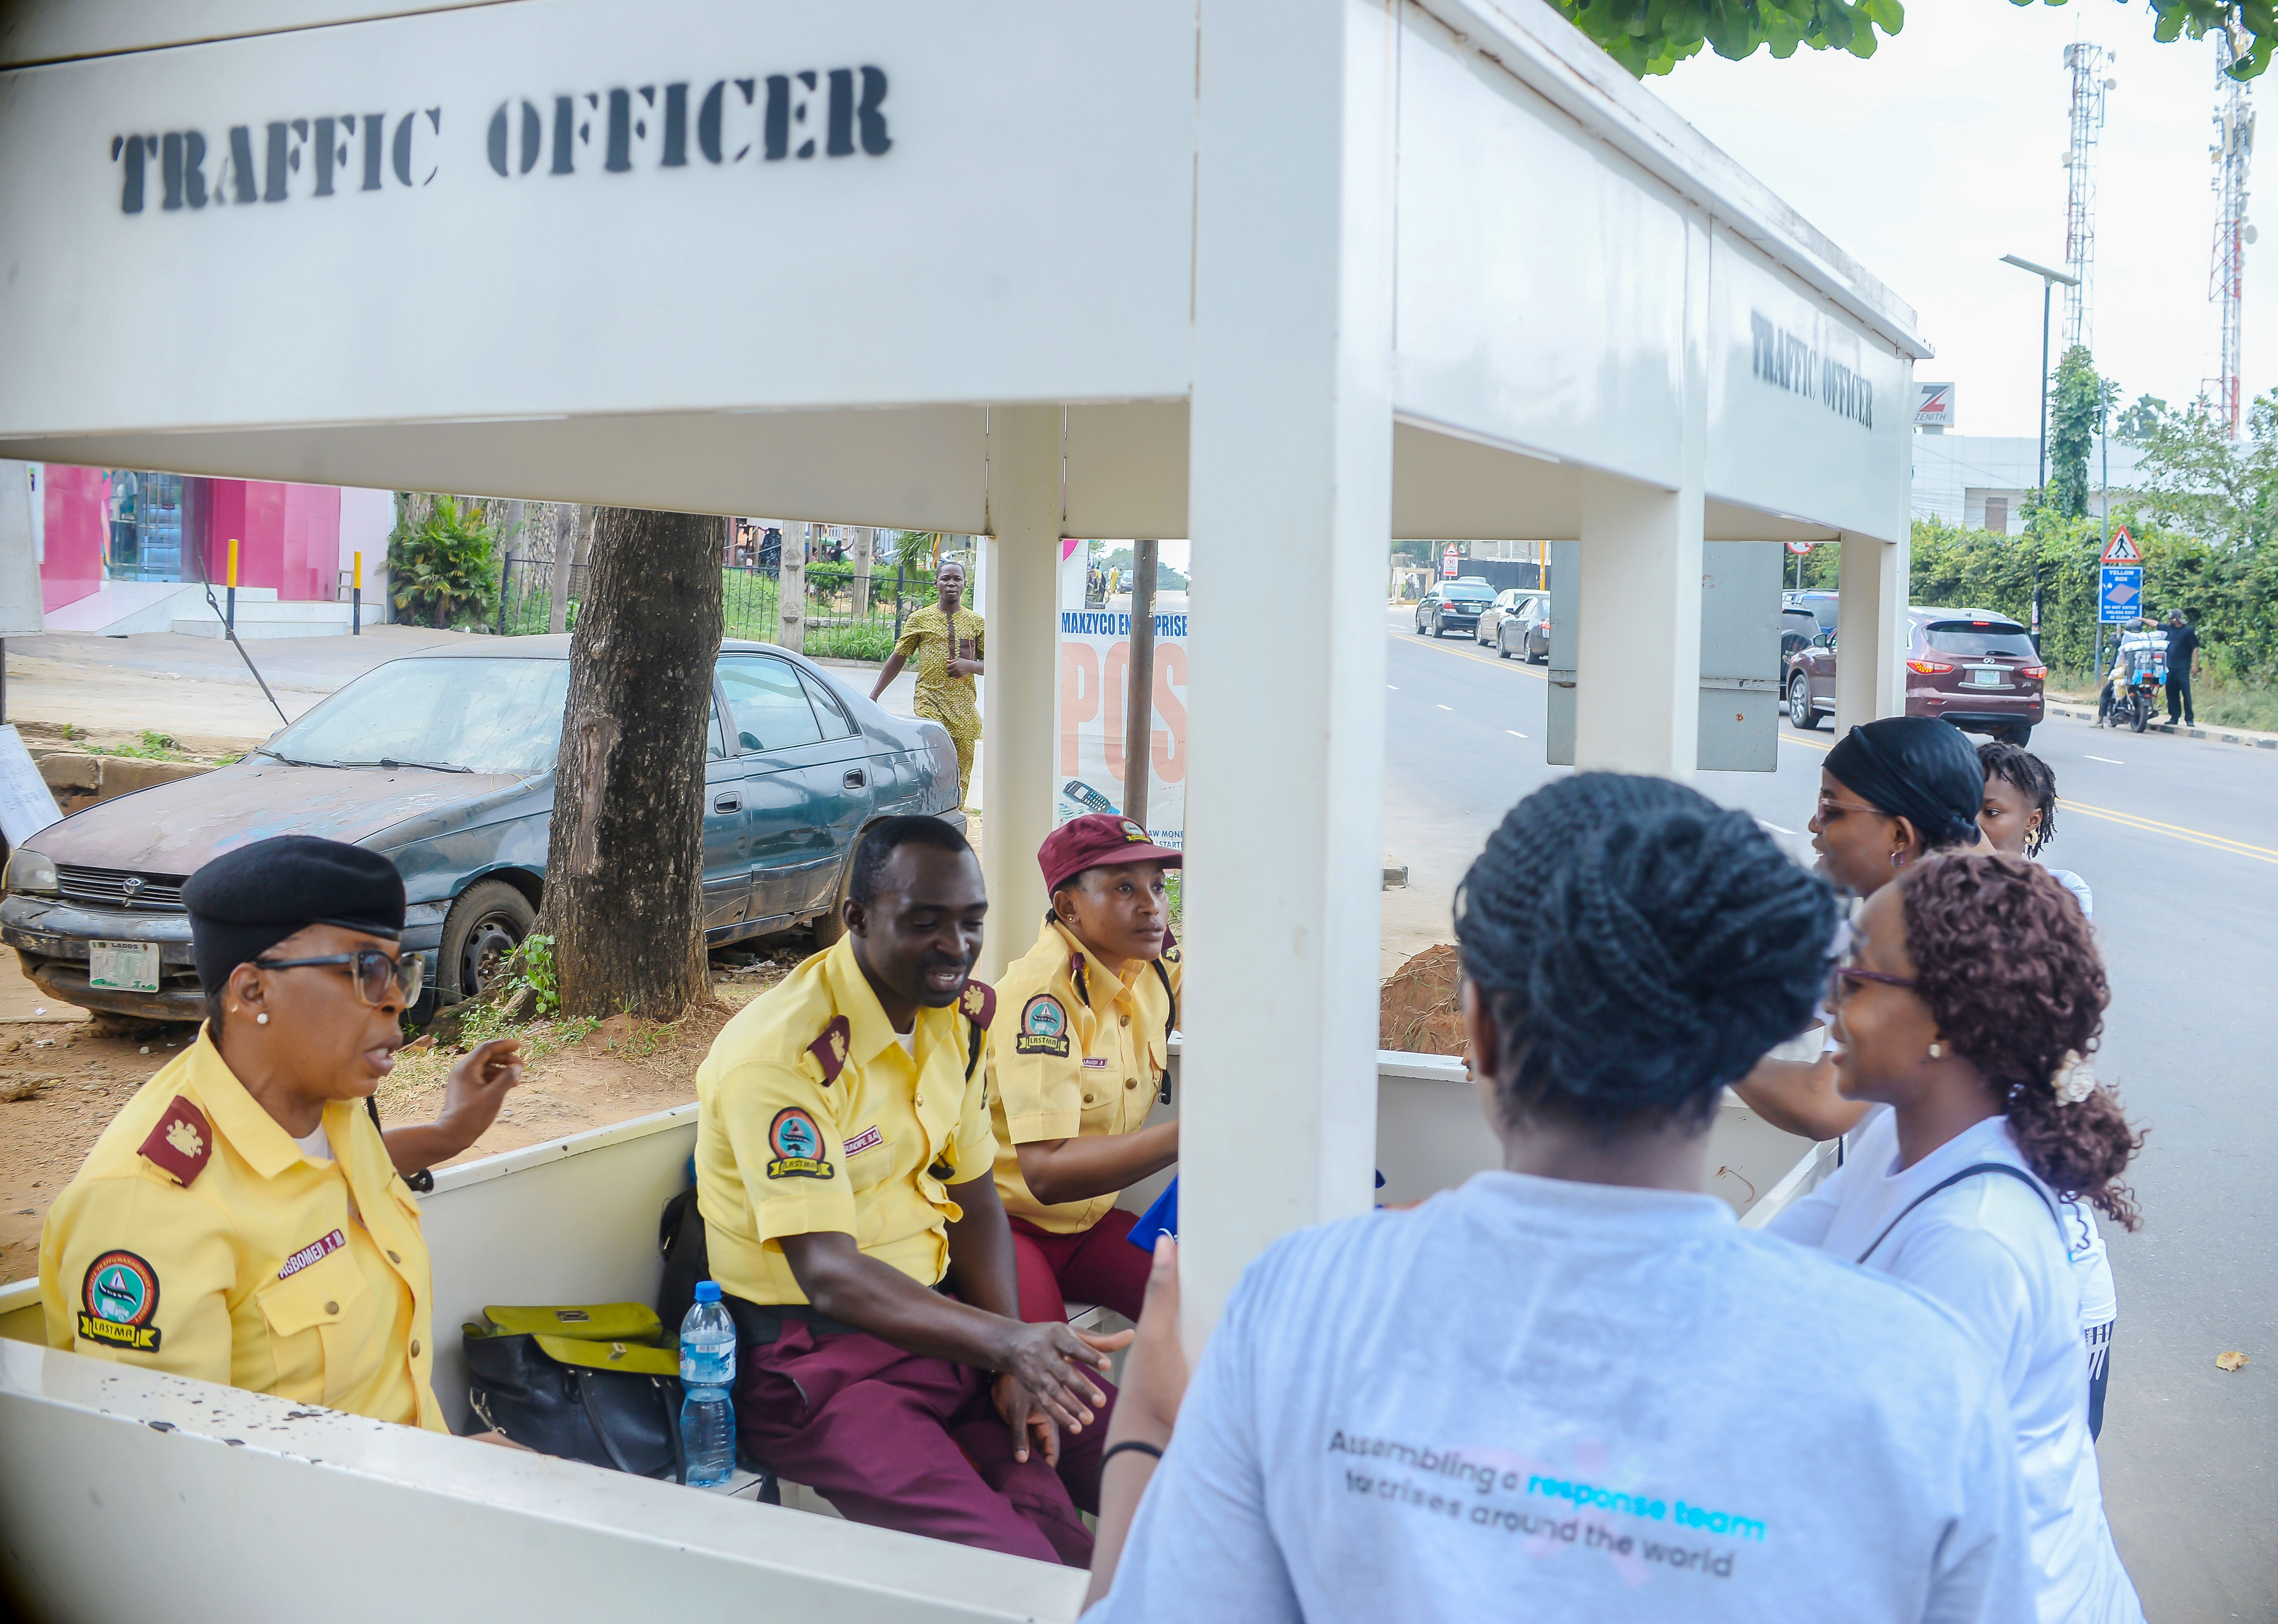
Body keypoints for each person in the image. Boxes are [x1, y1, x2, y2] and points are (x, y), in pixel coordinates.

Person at [1078, 774, 2033, 1621]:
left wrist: (1147, 1432)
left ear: (1481, 1030)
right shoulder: (1919, 1387)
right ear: (1731, 1044)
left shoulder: (1298, 1304)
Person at [694, 815, 1127, 1565]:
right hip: (820, 1365)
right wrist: (1007, 1343)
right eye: (925, 922)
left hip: (942, 1332)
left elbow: (977, 1198)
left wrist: (1008, 1353)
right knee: (1018, 1567)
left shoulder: (951, 1024)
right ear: (857, 918)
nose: (957, 947)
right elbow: (828, 1273)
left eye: (971, 923)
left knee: (1158, 1471)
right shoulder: (783, 1057)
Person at [1767, 854, 2145, 1622]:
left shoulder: (1974, 1242)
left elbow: (1884, 1520)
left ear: (1945, 1018)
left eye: (1859, 977)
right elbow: (1764, 1273)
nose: (1830, 1000)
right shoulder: (1900, 1139)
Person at [38, 836, 524, 1432]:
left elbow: (317, 1188)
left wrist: (450, 1132)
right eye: (366, 970)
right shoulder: (149, 1207)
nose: (396, 1000)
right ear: (252, 991)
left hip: (415, 1483)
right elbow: (177, 1487)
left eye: (398, 972)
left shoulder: (328, 1105)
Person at [1734, 715, 1985, 1139]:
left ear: (1900, 837)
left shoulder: (1926, 938)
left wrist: (1706, 1044)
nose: (1815, 825)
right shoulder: (1865, 925)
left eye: (1830, 809)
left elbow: (1824, 1105)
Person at [989, 814, 1184, 1327]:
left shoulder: (1149, 967)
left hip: (1090, 1226)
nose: (1152, 906)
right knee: (1051, 1381)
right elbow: (1046, 1174)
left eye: (1158, 886)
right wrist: (1193, 1136)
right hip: (1007, 1231)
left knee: (1207, 1320)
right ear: (1068, 907)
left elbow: (1244, 1013)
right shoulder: (1044, 1000)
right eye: (1124, 888)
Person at [1976, 740, 2115, 1434]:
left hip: (2066, 1282)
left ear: (2032, 822)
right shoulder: (1938, 908)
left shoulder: (2064, 898)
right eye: (1964, 809)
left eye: (1992, 812)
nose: (1977, 825)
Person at [872, 558, 983, 808]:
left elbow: (997, 666)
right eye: (946, 579)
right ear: (937, 584)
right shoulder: (921, 619)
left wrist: (971, 666)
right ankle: (927, 815)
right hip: (930, 703)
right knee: (932, 763)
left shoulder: (977, 623)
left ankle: (954, 815)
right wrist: (874, 696)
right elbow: (899, 656)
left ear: (965, 584)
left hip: (965, 709)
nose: (951, 583)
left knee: (961, 768)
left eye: (957, 579)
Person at [2163, 607, 2200, 726]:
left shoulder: (2188, 632)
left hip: (2183, 667)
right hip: (2170, 667)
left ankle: (2189, 719)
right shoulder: (2169, 629)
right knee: (2171, 693)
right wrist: (2142, 619)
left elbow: (2195, 648)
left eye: (2171, 618)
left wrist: (2195, 665)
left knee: (2186, 692)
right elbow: (2156, 624)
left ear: (2176, 619)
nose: (2169, 620)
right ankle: (2174, 717)